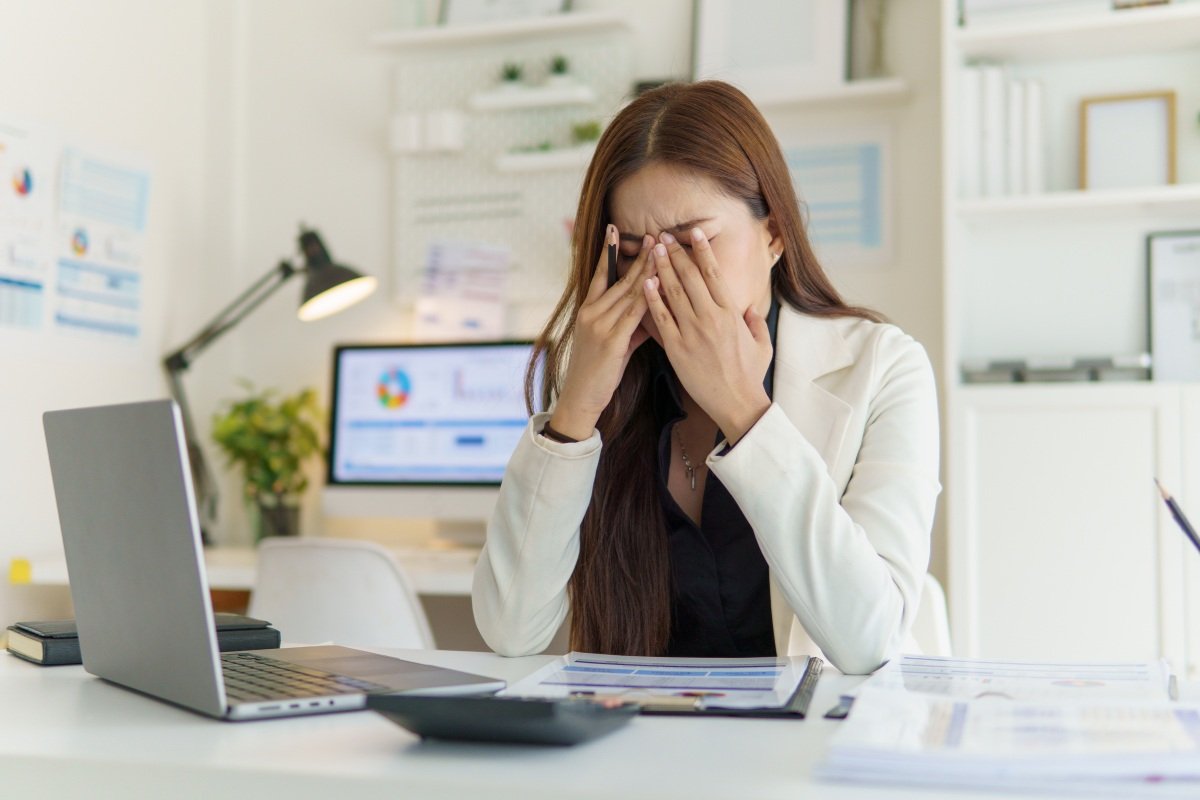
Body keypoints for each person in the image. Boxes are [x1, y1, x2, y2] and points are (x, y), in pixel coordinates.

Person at [472, 81, 940, 675]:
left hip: (819, 747)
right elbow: (511, 631)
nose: (661, 275)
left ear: (773, 233)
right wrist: (575, 412)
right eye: (635, 249)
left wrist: (745, 410)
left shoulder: (884, 366)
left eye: (694, 242)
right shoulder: (601, 381)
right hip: (642, 742)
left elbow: (868, 638)